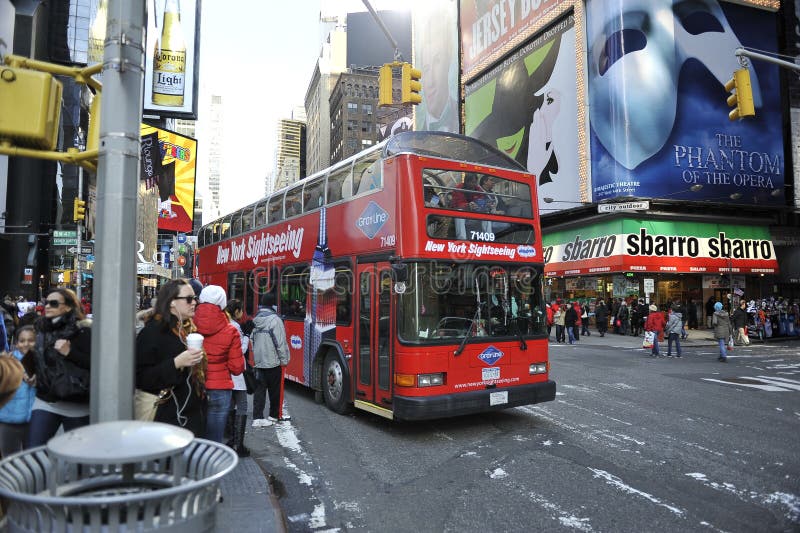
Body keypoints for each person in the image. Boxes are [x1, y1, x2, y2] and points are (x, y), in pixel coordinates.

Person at [136, 279, 207, 436]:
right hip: (165, 419)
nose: (194, 303)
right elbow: (141, 378)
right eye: (189, 299)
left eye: (195, 298)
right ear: (172, 302)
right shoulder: (152, 332)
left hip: (188, 414)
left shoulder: (187, 329)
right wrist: (176, 363)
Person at [28, 288, 91, 448]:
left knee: (79, 460)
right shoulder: (42, 330)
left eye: (54, 303)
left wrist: (70, 353)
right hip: (45, 401)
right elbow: (39, 361)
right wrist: (33, 374)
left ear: (68, 307)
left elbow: (96, 364)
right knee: (34, 453)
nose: (48, 306)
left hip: (76, 404)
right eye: (46, 302)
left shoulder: (82, 331)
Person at [193, 286, 245, 444]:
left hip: (195, 387)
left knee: (195, 434)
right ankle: (211, 466)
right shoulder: (231, 330)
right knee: (214, 441)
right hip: (220, 389)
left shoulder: (188, 325)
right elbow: (237, 368)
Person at [251, 293, 290, 427]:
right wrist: (284, 360)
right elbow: (280, 343)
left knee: (259, 391)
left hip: (259, 362)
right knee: (275, 391)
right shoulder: (275, 320)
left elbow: (251, 339)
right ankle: (273, 416)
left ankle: (257, 417)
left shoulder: (255, 319)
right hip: (273, 362)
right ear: (273, 305)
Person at [0, 326, 36, 456]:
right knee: (10, 464)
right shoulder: (6, 363)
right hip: (8, 422)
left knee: (35, 463)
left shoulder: (43, 362)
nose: (26, 344)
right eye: (22, 340)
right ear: (16, 344)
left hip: (34, 423)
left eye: (31, 340)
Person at [224, 299, 251, 456]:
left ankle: (232, 439)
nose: (242, 313)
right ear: (236, 311)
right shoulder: (235, 326)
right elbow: (241, 349)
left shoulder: (225, 323)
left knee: (231, 404)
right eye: (241, 310)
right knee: (242, 405)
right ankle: (238, 444)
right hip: (236, 372)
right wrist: (247, 335)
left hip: (226, 372)